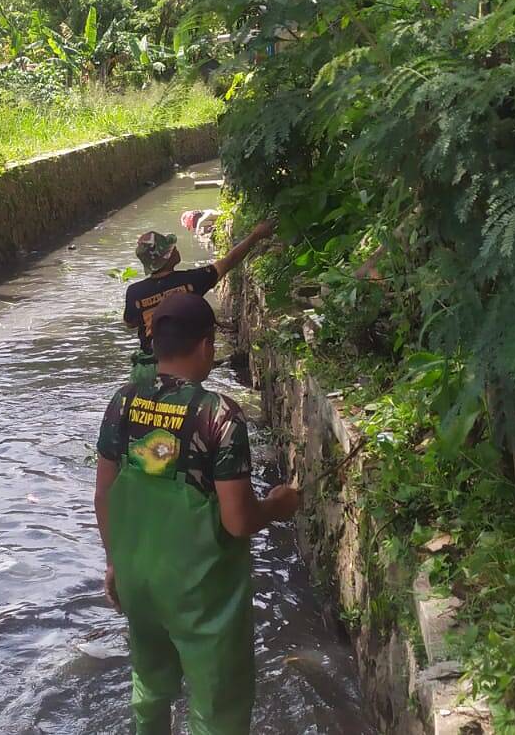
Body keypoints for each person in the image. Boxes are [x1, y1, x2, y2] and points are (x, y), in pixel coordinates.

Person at [95, 293, 301, 734]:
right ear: (207, 346)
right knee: (216, 705)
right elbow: (238, 521)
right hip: (202, 592)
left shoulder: (123, 402)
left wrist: (115, 563)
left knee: (149, 689)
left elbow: (104, 495)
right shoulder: (218, 416)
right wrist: (279, 506)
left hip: (138, 579)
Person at [124, 219, 276, 388]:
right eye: (171, 248)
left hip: (148, 367)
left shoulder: (134, 292)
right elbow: (229, 261)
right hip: (181, 365)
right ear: (167, 256)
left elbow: (130, 322)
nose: (175, 248)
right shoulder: (191, 281)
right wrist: (255, 236)